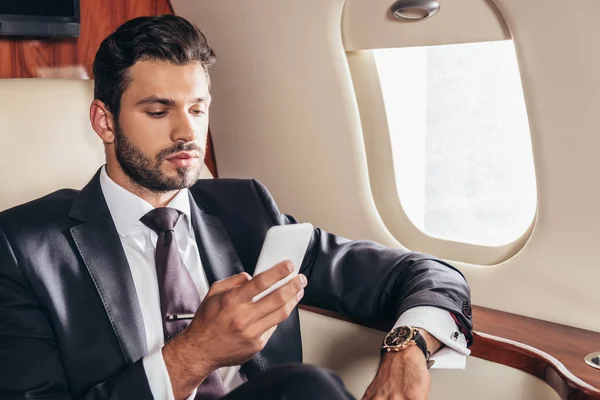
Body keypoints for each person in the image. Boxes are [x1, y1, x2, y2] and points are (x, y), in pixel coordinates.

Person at [0, 15, 472, 400]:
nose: (187, 133)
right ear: (105, 122)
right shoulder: (23, 249)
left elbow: (427, 274)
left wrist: (406, 350)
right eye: (159, 111)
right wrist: (195, 353)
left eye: (198, 108)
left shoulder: (247, 211)